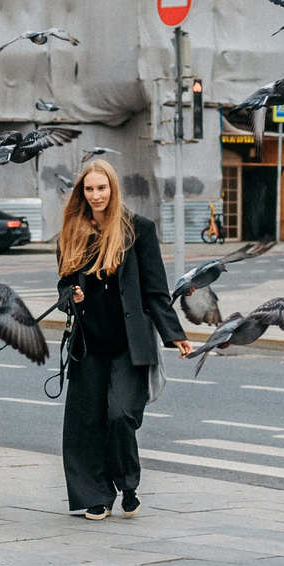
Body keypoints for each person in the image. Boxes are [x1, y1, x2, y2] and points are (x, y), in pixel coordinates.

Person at [55, 158, 191, 520]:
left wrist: (174, 334)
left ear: (113, 190)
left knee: (119, 416)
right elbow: (64, 284)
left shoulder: (138, 230)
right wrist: (72, 295)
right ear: (81, 193)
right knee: (86, 424)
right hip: (89, 345)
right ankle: (96, 495)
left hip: (130, 345)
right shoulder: (72, 232)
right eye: (89, 189)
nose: (96, 195)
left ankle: (127, 484)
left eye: (102, 188)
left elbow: (156, 290)